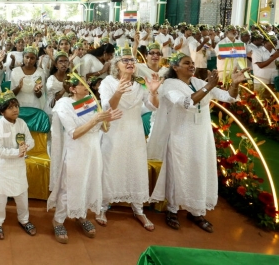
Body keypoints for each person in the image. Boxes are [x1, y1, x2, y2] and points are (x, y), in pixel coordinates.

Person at [149, 54, 245, 232]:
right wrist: (209, 86)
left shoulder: (198, 82)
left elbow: (228, 97)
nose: (192, 65)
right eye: (186, 63)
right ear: (175, 67)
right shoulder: (169, 84)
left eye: (193, 63)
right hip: (180, 135)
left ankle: (196, 211)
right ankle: (172, 210)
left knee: (200, 170)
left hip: (201, 135)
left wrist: (235, 84)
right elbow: (186, 102)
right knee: (177, 171)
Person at [49, 76, 122, 243]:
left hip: (93, 151)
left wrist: (106, 120)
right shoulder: (64, 104)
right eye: (82, 84)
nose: (87, 85)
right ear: (73, 89)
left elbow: (103, 129)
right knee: (69, 187)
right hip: (75, 152)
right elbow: (74, 133)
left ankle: (81, 215)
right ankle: (58, 220)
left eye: (86, 83)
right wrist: (96, 119)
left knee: (88, 184)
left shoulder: (89, 101)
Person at [97, 47, 162, 230]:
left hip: (134, 131)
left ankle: (138, 208)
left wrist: (153, 92)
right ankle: (102, 206)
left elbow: (153, 106)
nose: (130, 63)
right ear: (116, 65)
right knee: (110, 166)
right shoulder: (108, 82)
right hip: (114, 131)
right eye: (125, 60)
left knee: (136, 166)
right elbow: (108, 108)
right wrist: (118, 92)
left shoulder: (140, 83)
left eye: (132, 60)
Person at [0, 89, 36, 240]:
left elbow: (31, 141)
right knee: (0, 197)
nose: (15, 109)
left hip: (18, 167)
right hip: (3, 168)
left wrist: (25, 148)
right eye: (10, 107)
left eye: (16, 106)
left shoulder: (22, 123)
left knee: (22, 194)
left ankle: (24, 219)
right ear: (2, 111)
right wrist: (17, 152)